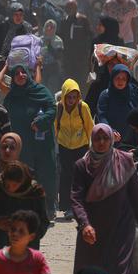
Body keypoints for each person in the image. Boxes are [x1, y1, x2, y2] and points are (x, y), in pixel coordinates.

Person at [71, 127, 138, 274]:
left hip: (121, 228)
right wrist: (85, 224)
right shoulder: (82, 166)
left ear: (111, 140)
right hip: (92, 231)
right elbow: (76, 199)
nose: (101, 143)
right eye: (97, 139)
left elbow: (136, 197)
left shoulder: (125, 162)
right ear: (92, 140)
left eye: (105, 138)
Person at [0, 61, 58, 219]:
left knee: (46, 174)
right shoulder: (11, 97)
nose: (20, 76)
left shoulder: (40, 91)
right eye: (16, 74)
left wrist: (42, 121)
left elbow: (52, 108)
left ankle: (49, 205)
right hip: (22, 144)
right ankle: (30, 207)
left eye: (23, 72)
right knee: (26, 174)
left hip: (42, 143)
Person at [0, 161, 48, 251]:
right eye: (7, 184)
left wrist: (26, 233)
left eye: (15, 185)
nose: (10, 189)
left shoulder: (35, 192)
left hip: (26, 249)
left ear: (23, 181)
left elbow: (43, 221)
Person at [57, 79, 95, 218]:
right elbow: (56, 126)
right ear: (64, 96)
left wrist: (92, 146)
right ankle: (67, 207)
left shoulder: (82, 107)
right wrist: (57, 141)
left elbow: (90, 126)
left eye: (74, 96)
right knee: (66, 175)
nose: (71, 100)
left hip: (81, 146)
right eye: (69, 97)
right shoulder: (59, 107)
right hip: (64, 146)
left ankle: (82, 205)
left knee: (80, 175)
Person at [96, 64, 138, 145]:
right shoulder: (106, 95)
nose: (120, 81)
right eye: (117, 78)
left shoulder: (135, 92)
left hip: (132, 140)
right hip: (113, 139)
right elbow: (101, 116)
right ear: (112, 78)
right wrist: (110, 131)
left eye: (123, 79)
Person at [57, 0, 95, 86]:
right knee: (69, 76)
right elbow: (60, 36)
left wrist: (89, 50)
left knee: (80, 77)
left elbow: (90, 35)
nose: (69, 9)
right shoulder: (64, 21)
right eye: (67, 7)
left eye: (71, 7)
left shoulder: (83, 20)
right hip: (68, 55)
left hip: (81, 55)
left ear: (76, 8)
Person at [40, 19, 64, 91]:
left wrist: (50, 47)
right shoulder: (39, 40)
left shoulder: (58, 41)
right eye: (47, 26)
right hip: (42, 68)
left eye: (52, 27)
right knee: (42, 88)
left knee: (52, 89)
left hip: (53, 68)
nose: (49, 29)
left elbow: (59, 56)